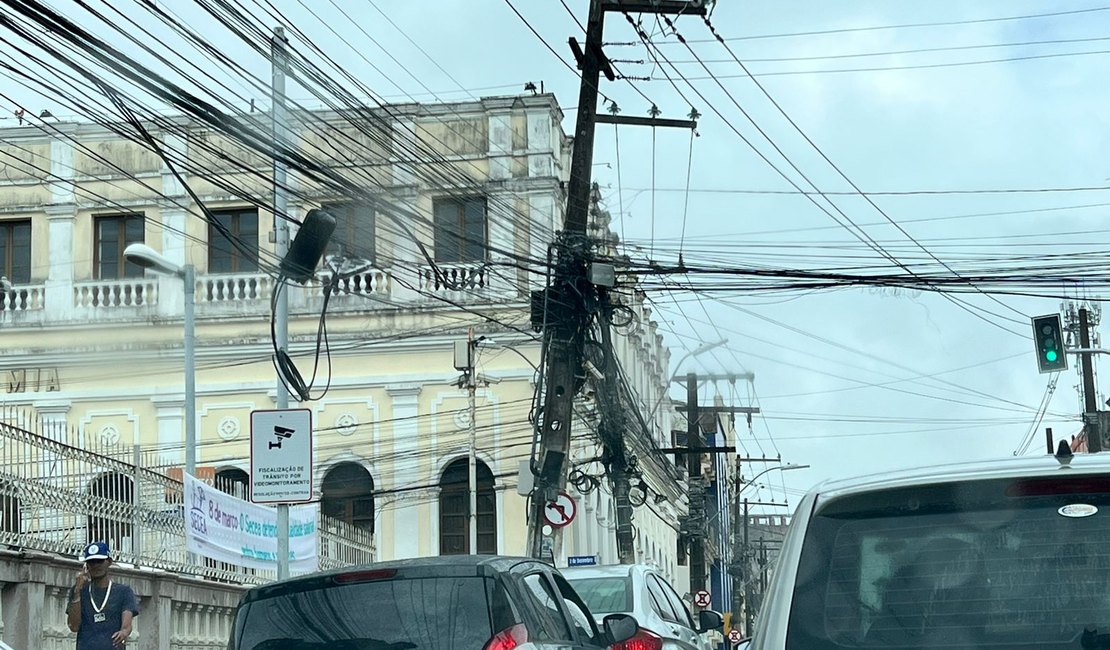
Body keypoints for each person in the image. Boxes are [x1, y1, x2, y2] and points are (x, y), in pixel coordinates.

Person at [66, 542, 139, 649]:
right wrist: (77, 591)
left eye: (99, 561)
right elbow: (74, 626)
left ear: (109, 562)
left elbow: (127, 625)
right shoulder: (79, 590)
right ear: (86, 565)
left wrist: (123, 632)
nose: (95, 565)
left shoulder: (124, 591)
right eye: (91, 562)